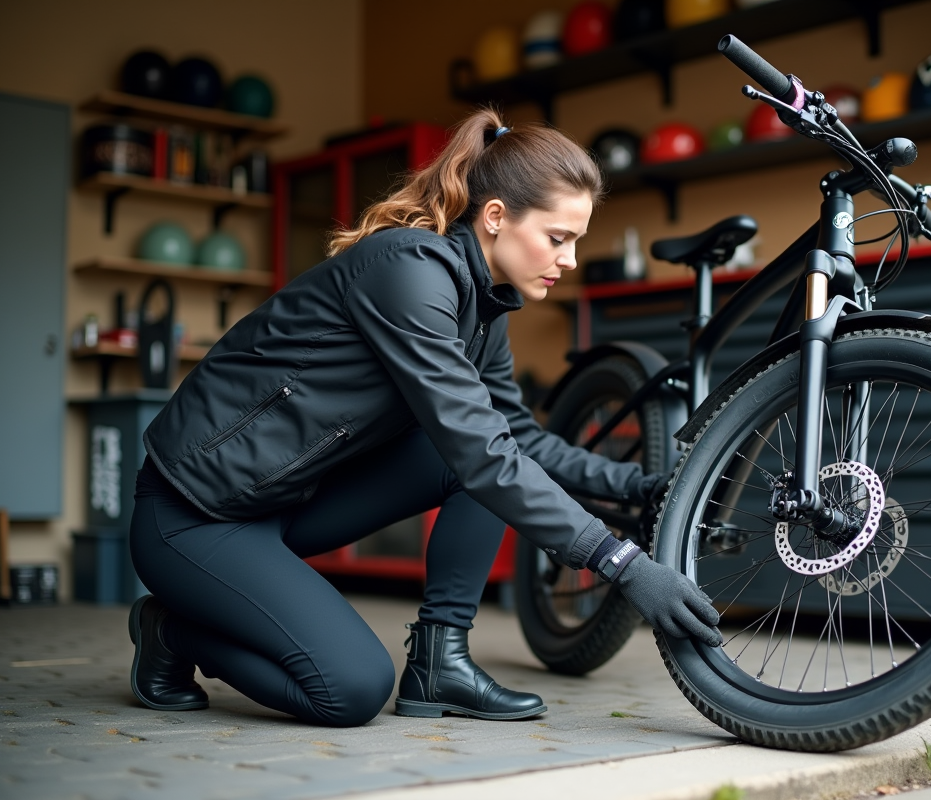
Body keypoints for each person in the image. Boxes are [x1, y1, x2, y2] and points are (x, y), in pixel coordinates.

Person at [127, 108, 722, 728]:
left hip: (284, 502)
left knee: (477, 460)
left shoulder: (484, 312)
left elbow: (513, 439)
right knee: (351, 689)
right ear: (496, 218)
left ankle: (441, 659)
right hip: (193, 514)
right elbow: (482, 449)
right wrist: (621, 563)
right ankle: (169, 631)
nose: (569, 259)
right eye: (557, 238)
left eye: (576, 241)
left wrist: (641, 488)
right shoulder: (408, 271)